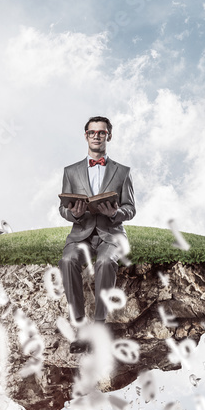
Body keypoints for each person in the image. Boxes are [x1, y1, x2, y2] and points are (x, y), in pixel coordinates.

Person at [58, 116, 135, 353]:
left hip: (111, 234)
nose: (96, 136)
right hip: (81, 233)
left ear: (108, 136)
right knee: (67, 260)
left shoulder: (123, 171)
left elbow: (130, 208)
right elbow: (63, 208)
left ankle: (100, 325)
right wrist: (76, 214)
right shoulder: (70, 171)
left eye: (101, 133)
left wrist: (115, 213)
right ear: (86, 136)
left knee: (105, 261)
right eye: (92, 132)